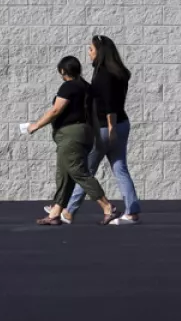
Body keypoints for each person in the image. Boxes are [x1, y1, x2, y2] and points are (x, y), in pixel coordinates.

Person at [22, 55, 117, 225]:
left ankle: (107, 207)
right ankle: (55, 214)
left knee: (78, 172)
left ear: (63, 71)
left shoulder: (69, 87)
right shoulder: (88, 88)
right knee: (64, 174)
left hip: (71, 135)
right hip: (85, 133)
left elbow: (56, 110)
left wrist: (35, 126)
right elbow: (94, 115)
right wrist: (95, 136)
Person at [62, 34, 142, 225]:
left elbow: (109, 103)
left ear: (100, 52)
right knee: (120, 168)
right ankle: (132, 212)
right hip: (122, 124)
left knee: (85, 171)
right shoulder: (118, 72)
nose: (88, 53)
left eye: (91, 49)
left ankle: (69, 211)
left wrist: (111, 127)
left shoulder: (104, 74)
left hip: (106, 128)